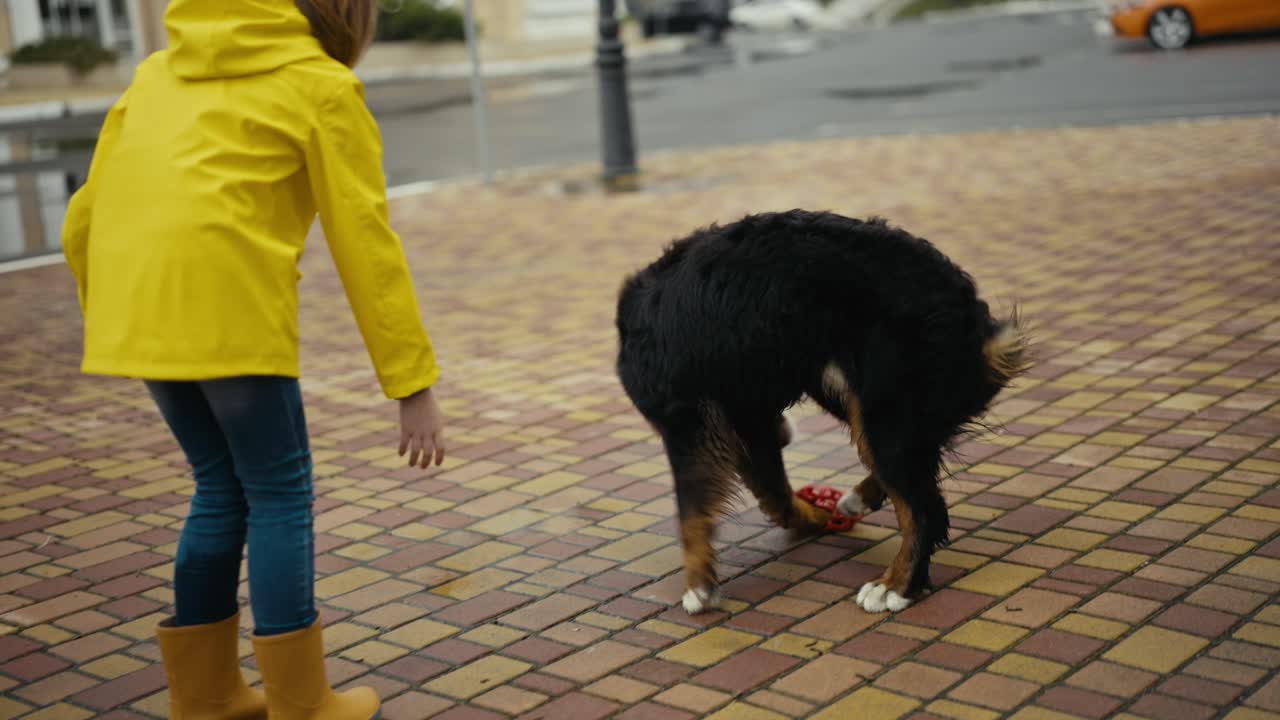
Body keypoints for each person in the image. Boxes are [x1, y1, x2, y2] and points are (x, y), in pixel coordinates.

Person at [60, 0, 445, 717]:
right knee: (278, 493)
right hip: (231, 311)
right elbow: (366, 243)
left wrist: (112, 316)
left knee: (217, 487)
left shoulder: (154, 74)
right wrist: (411, 382)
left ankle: (205, 697)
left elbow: (86, 212)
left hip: (144, 309)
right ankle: (303, 703)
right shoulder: (320, 86)